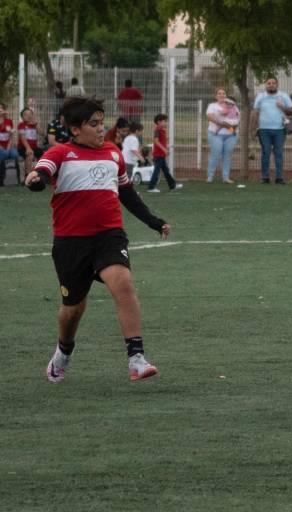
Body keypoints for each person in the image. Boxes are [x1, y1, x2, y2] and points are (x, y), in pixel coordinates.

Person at [24, 96, 170, 382]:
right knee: (73, 309)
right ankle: (63, 351)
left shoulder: (113, 153)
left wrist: (155, 221)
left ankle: (137, 359)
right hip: (70, 243)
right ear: (75, 129)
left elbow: (127, 194)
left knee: (123, 283)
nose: (101, 129)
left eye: (102, 123)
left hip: (109, 236)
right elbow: (42, 172)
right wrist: (36, 180)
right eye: (94, 124)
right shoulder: (61, 153)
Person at [251, 76, 292, 184]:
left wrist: (282, 107)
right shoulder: (260, 96)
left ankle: (279, 177)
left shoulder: (283, 96)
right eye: (269, 83)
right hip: (263, 130)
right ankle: (265, 177)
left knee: (278, 153)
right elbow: (255, 113)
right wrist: (252, 129)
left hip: (280, 130)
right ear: (266, 85)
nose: (271, 85)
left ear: (277, 84)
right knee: (265, 152)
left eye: (273, 83)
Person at [206, 88, 239, 183]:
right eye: (219, 93)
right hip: (215, 134)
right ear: (215, 96)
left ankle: (226, 178)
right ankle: (210, 176)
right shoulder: (212, 106)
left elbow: (237, 119)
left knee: (227, 155)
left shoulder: (232, 105)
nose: (222, 95)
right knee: (215, 153)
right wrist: (222, 123)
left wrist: (231, 128)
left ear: (226, 95)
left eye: (224, 93)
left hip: (231, 135)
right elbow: (210, 116)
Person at [147, 113, 182, 192]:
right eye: (164, 121)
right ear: (159, 122)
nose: (165, 123)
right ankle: (151, 187)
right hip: (158, 154)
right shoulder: (157, 130)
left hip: (161, 154)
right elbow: (155, 141)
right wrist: (164, 149)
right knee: (157, 171)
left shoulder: (161, 130)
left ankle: (172, 185)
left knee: (166, 171)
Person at [0, 102, 20, 186]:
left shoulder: (9, 121)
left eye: (1, 108)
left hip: (8, 146)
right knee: (3, 155)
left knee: (15, 154)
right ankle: (2, 178)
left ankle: (17, 178)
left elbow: (11, 136)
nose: (0, 110)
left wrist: (8, 147)